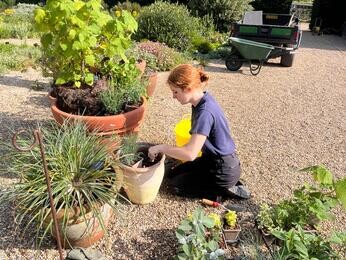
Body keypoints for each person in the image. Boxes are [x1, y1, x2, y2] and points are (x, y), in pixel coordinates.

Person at [148, 64, 250, 200]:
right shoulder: (202, 100)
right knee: (173, 174)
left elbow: (190, 154)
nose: (173, 96)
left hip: (222, 170)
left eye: (175, 92)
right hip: (212, 160)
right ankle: (225, 183)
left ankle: (224, 190)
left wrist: (162, 148)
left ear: (188, 89)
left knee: (175, 186)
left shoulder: (205, 112)